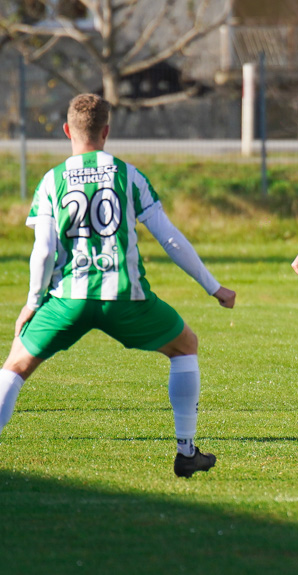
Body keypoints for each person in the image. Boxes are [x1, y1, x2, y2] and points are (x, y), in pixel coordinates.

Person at [0, 94, 236, 478]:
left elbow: (42, 252)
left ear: (66, 131)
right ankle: (186, 450)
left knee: (15, 366)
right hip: (126, 297)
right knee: (185, 346)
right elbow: (170, 238)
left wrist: (32, 302)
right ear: (107, 131)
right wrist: (213, 286)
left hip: (67, 298)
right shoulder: (127, 174)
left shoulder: (51, 180)